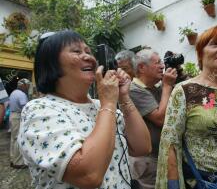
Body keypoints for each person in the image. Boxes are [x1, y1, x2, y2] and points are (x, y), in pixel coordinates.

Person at [17, 30, 151, 189]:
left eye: (88, 51)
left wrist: (124, 98)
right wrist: (108, 104)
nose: (88, 57)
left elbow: (143, 147)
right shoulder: (39, 110)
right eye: (76, 51)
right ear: (52, 63)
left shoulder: (100, 106)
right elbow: (89, 176)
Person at [156, 25, 217, 189]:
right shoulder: (184, 91)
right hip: (205, 183)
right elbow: (170, 145)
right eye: (215, 44)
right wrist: (173, 186)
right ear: (201, 53)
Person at [129, 49, 177, 189]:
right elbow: (161, 119)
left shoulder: (153, 88)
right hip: (147, 162)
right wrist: (167, 85)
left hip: (161, 157)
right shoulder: (134, 90)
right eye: (157, 63)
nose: (162, 66)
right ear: (142, 68)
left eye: (162, 62)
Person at [9, 77, 31, 168]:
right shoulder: (22, 94)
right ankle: (18, 163)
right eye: (27, 86)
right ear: (23, 85)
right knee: (18, 139)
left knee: (13, 139)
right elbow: (25, 108)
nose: (28, 88)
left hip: (12, 115)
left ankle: (12, 159)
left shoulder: (14, 92)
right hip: (18, 117)